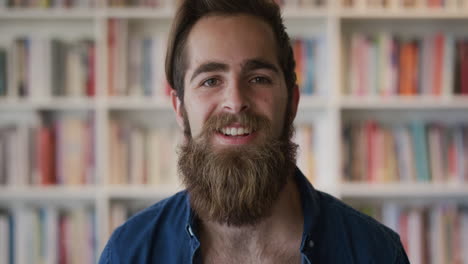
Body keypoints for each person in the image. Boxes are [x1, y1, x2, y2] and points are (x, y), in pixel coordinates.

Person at [99, 0, 410, 263]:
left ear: (292, 102)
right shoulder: (128, 253)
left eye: (259, 78)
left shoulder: (376, 252)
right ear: (180, 108)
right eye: (210, 80)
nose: (235, 102)